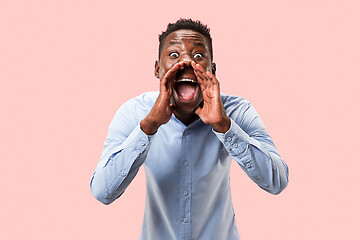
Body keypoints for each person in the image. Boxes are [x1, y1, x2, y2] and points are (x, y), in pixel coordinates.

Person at [90, 19, 289, 240]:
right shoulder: (134, 113)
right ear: (158, 68)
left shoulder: (237, 111)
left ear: (212, 69)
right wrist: (148, 128)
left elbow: (277, 181)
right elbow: (102, 192)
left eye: (197, 56)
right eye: (174, 55)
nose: (185, 62)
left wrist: (225, 127)